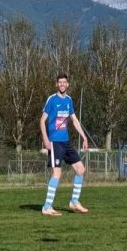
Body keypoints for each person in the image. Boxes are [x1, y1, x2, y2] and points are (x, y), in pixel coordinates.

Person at [40, 73, 90, 216]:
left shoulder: (69, 101)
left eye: (64, 82)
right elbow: (42, 120)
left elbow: (74, 120)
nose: (62, 84)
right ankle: (47, 207)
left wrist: (84, 137)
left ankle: (74, 201)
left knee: (80, 169)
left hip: (66, 142)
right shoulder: (52, 100)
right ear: (57, 84)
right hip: (55, 142)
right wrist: (45, 139)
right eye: (60, 82)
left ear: (68, 84)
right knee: (57, 173)